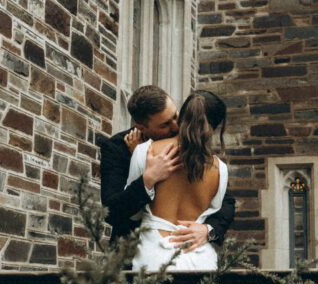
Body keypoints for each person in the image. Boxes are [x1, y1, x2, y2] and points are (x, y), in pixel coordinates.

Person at [98, 85, 234, 252]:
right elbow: (111, 212)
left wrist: (208, 230)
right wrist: (145, 176)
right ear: (141, 128)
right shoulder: (117, 148)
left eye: (176, 116)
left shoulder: (191, 144)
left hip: (188, 250)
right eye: (165, 125)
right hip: (132, 253)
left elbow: (226, 202)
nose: (177, 127)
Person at [125, 90, 229, 271]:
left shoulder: (145, 151)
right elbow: (217, 210)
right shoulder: (220, 169)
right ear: (214, 127)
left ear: (182, 115)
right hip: (200, 259)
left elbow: (132, 214)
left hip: (153, 257)